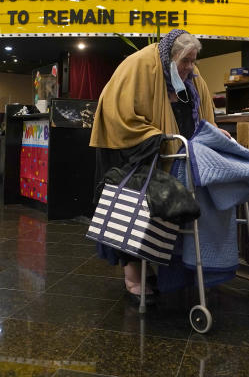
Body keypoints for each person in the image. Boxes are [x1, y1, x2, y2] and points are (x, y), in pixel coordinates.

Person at [89, 29, 230, 303]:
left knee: (169, 215)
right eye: (185, 61)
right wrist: (157, 138)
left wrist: (211, 131)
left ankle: (170, 272)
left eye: (193, 60)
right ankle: (133, 278)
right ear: (170, 57)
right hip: (131, 151)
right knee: (137, 211)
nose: (190, 67)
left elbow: (202, 116)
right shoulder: (139, 65)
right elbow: (117, 114)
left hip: (176, 155)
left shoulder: (192, 76)